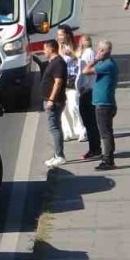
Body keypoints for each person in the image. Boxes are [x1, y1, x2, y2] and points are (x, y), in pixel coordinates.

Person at [84, 40, 120, 170]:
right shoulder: (108, 63)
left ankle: (108, 160)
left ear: (104, 51)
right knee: (106, 132)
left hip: (104, 104)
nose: (97, 52)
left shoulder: (106, 65)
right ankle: (108, 158)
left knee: (105, 133)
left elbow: (85, 70)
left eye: (99, 50)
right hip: (105, 102)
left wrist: (94, 59)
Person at [41, 40, 68, 169]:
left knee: (55, 128)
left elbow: (58, 82)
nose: (43, 51)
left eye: (45, 49)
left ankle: (59, 156)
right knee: (55, 127)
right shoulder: (54, 62)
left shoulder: (58, 63)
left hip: (55, 102)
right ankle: (56, 154)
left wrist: (51, 100)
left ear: (51, 49)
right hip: (52, 100)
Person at [75, 34, 102, 161]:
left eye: (80, 41)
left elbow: (86, 73)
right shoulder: (86, 53)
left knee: (90, 122)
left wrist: (83, 86)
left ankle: (95, 149)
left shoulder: (88, 54)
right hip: (86, 91)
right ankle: (93, 148)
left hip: (88, 91)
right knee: (88, 122)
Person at [56, 25, 83, 142]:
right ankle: (67, 132)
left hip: (73, 79)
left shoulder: (75, 45)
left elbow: (81, 60)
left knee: (74, 106)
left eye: (61, 34)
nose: (59, 37)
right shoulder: (57, 47)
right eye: (58, 35)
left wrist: (71, 54)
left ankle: (81, 130)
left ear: (67, 34)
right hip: (61, 80)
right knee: (63, 109)